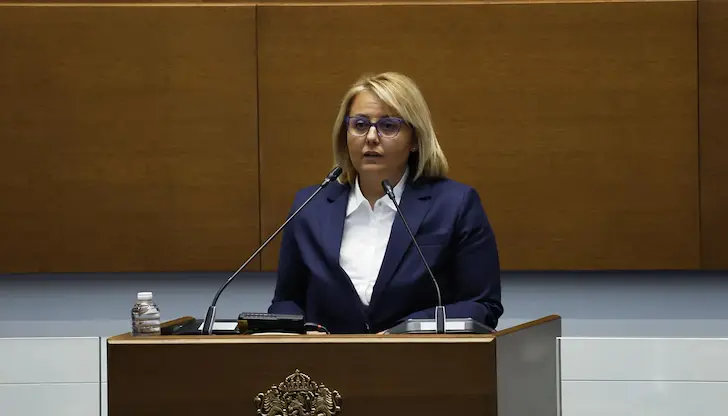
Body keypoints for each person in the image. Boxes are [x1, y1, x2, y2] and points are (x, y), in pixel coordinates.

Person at [268, 72, 503, 334]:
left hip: (419, 357)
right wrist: (303, 331)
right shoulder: (310, 206)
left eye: (388, 126)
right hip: (327, 358)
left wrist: (410, 329)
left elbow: (482, 305)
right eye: (359, 125)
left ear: (414, 139)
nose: (371, 137)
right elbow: (286, 301)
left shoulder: (454, 205)